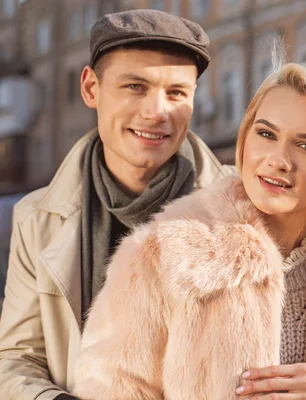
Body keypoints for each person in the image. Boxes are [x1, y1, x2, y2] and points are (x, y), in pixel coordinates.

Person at [72, 56, 306, 400]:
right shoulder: (165, 256)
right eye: (266, 134)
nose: (279, 160)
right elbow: (111, 390)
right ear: (245, 138)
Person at [0, 10, 232, 400]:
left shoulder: (247, 203)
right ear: (91, 88)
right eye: (136, 87)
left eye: (176, 93)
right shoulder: (37, 217)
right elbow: (16, 356)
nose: (156, 112)